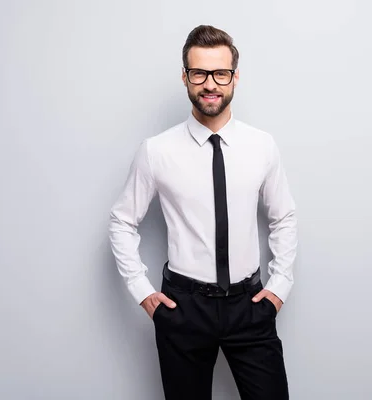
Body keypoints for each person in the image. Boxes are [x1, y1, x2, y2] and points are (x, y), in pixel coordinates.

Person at [108, 24, 297, 400]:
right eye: (199, 73)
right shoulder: (156, 151)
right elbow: (122, 221)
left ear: (235, 77)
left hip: (250, 306)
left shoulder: (262, 146)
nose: (210, 84)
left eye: (220, 73)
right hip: (183, 310)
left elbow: (284, 217)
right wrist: (143, 292)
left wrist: (279, 287)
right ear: (185, 77)